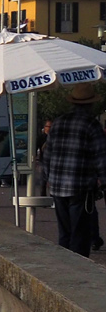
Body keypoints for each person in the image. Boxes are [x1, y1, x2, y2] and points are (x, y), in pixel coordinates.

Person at [38, 85, 105, 257]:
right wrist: (104, 182)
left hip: (58, 185)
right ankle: (77, 268)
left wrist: (46, 178)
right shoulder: (92, 125)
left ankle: (63, 264)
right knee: (80, 233)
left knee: (65, 232)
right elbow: (101, 157)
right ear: (90, 105)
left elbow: (48, 153)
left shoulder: (59, 122)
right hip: (80, 186)